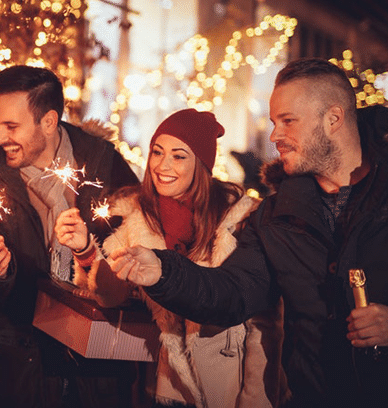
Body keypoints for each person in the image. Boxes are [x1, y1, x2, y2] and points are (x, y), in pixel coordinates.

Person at [108, 58, 388, 407]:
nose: (275, 136)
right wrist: (165, 272)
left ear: (333, 119)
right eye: (274, 122)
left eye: (288, 121)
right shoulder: (276, 215)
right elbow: (232, 292)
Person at [55, 109, 289, 407]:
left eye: (179, 156)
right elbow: (110, 295)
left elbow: (263, 322)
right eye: (157, 152)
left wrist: (256, 398)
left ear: (201, 164)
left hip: (229, 387)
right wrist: (85, 250)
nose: (162, 165)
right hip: (166, 389)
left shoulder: (240, 218)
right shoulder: (136, 216)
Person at [0, 65, 140, 408]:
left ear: (48, 121)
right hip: (21, 367)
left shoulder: (103, 165)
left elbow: (136, 254)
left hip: (95, 370)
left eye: (11, 126)